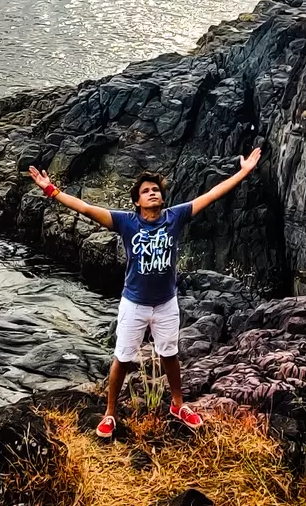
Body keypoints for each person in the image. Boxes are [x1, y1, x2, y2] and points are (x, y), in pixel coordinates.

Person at [28, 148, 262, 439]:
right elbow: (85, 208)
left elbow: (213, 194)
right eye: (146, 191)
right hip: (134, 304)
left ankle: (178, 405)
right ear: (137, 201)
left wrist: (243, 172)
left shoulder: (175, 217)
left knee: (170, 355)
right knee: (123, 359)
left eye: (156, 190)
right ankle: (110, 413)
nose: (152, 193)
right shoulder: (127, 222)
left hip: (166, 304)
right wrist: (50, 190)